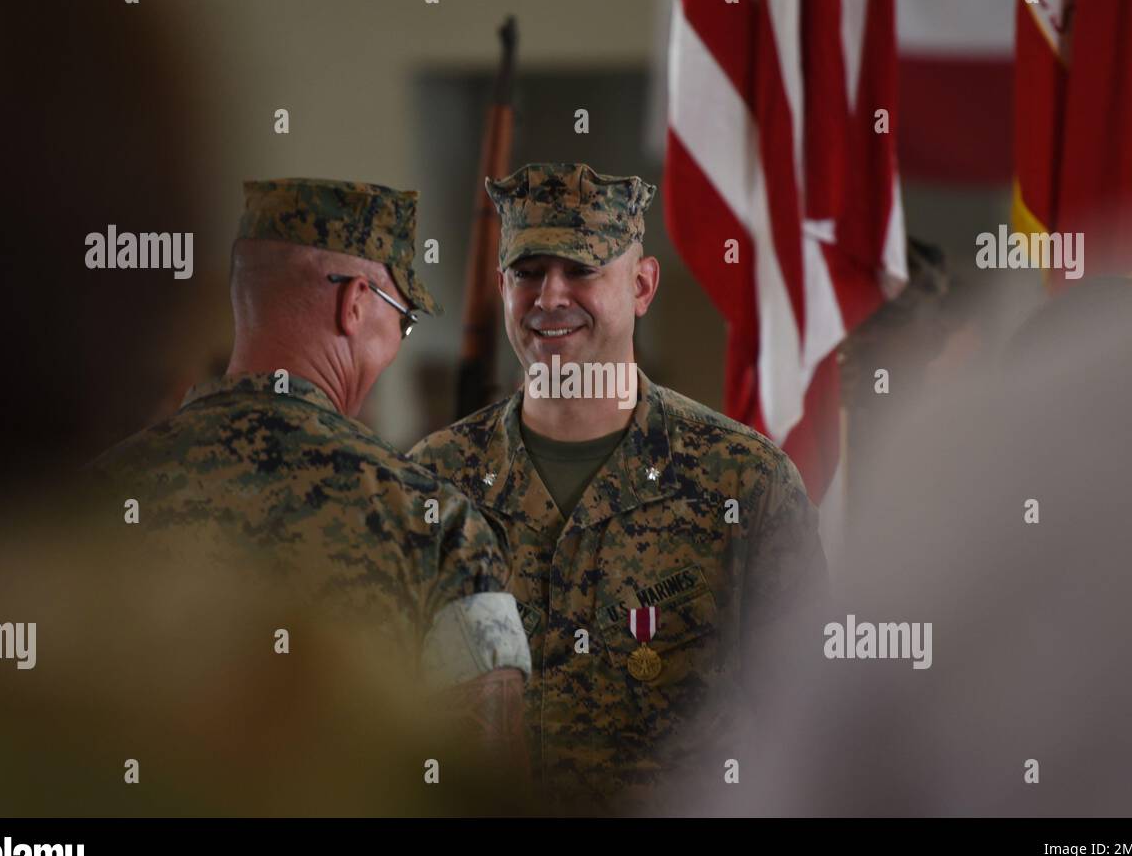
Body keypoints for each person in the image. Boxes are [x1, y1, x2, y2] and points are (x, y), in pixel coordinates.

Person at [408, 162, 828, 811]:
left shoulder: (742, 483)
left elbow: (809, 730)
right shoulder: (434, 482)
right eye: (527, 272)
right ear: (502, 286)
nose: (550, 296)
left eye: (581, 270)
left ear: (641, 284)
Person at [91, 178, 531, 767]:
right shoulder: (436, 522)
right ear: (354, 303)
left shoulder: (92, 495)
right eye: (403, 320)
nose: (398, 341)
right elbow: (488, 771)